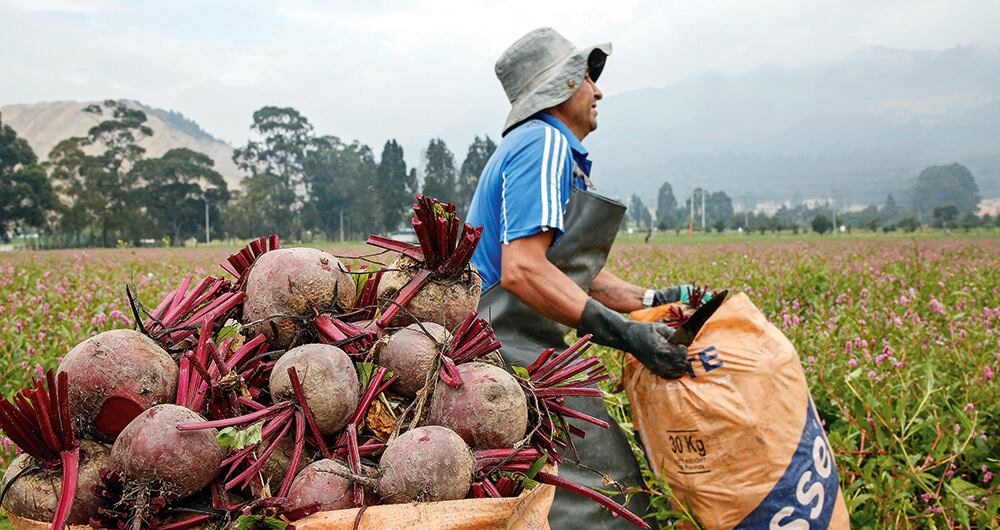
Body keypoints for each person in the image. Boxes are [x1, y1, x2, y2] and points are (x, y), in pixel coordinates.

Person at [467, 27, 704, 529]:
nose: (598, 91)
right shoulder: (544, 144)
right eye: (587, 79)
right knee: (606, 487)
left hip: (513, 343)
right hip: (505, 346)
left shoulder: (545, 150)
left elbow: (573, 276)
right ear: (561, 88)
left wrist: (654, 300)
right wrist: (628, 336)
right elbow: (524, 270)